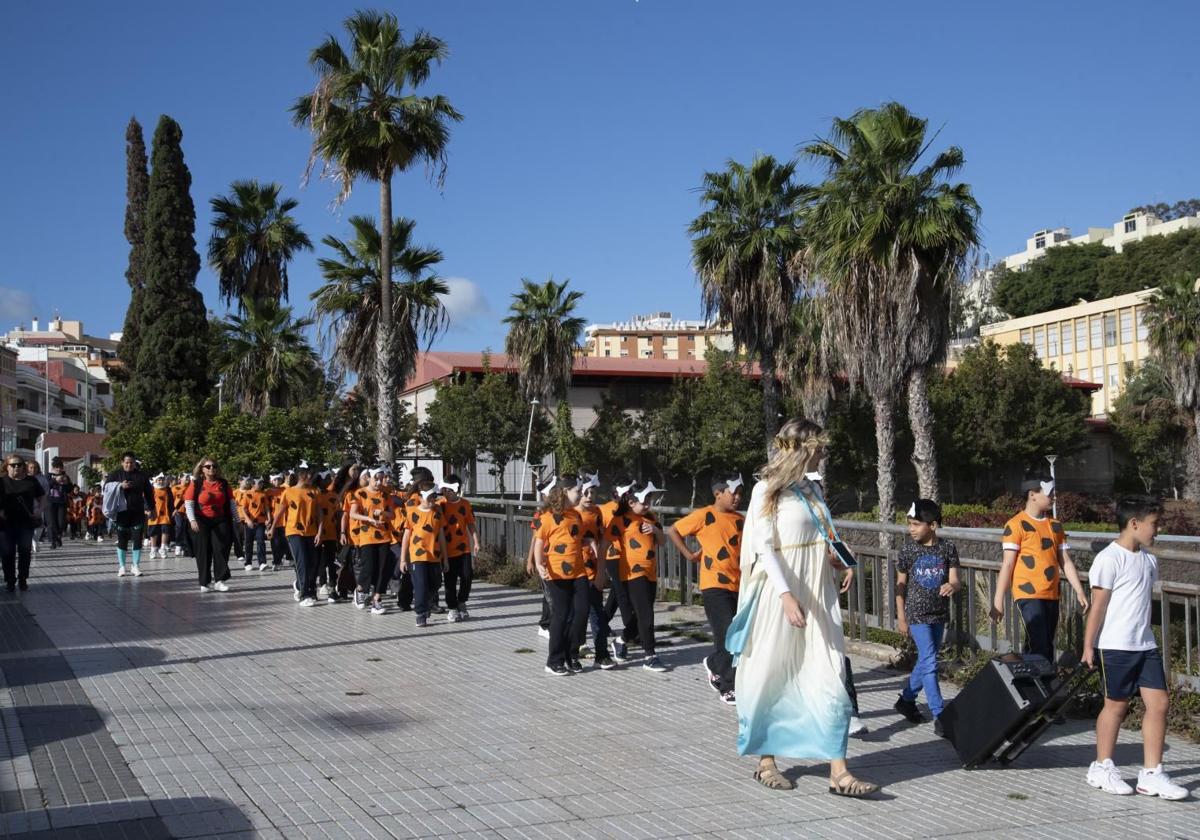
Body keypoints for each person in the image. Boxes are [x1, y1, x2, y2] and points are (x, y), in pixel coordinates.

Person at [725, 419, 878, 797]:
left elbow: (824, 536)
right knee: (772, 673)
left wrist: (840, 560)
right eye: (819, 446)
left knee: (829, 675)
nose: (824, 453)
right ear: (803, 447)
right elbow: (764, 547)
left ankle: (839, 773)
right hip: (780, 596)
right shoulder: (766, 490)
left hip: (816, 592)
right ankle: (766, 762)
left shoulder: (811, 490)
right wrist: (785, 595)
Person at [1083, 496, 1188, 800]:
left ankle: (1152, 774)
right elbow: (1098, 607)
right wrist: (1088, 646)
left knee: (1160, 704)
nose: (1158, 530)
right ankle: (1102, 767)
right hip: (1116, 646)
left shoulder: (1149, 560)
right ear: (1134, 523)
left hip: (1145, 645)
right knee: (1116, 706)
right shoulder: (1108, 559)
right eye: (1154, 524)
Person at [991, 478, 1088, 665]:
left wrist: (1079, 590)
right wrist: (998, 600)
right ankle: (1043, 686)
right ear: (1032, 495)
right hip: (1028, 593)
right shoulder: (1015, 524)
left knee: (1044, 643)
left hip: (1051, 593)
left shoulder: (1055, 525)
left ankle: (1031, 685)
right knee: (1039, 643)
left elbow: (1065, 561)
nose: (1054, 497)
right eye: (1049, 493)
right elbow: (1008, 564)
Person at [668, 473, 745, 704]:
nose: (738, 497)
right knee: (726, 633)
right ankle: (728, 686)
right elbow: (674, 530)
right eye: (734, 493)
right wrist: (690, 555)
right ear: (718, 493)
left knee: (738, 635)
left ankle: (713, 663)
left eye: (741, 493)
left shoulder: (740, 520)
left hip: (738, 584)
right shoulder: (704, 515)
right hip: (713, 584)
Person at [894, 499, 961, 736]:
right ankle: (940, 715)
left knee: (925, 661)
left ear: (932, 525)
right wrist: (901, 616)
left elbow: (955, 579)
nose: (911, 529)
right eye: (910, 524)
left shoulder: (948, 548)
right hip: (917, 614)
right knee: (931, 662)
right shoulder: (908, 551)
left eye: (916, 524)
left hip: (939, 613)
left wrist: (952, 586)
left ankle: (907, 699)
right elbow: (900, 585)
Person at [533, 475, 596, 676]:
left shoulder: (575, 516)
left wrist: (589, 542)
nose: (580, 494)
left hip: (578, 571)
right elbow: (539, 543)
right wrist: (538, 563)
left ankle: (572, 654)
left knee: (582, 611)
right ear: (565, 492)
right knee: (560, 616)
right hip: (556, 572)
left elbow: (576, 537)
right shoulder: (547, 517)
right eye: (577, 491)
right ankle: (554, 661)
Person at [607, 481, 668, 672]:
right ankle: (650, 655)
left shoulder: (651, 518)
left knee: (642, 613)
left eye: (650, 499)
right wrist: (601, 569)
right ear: (632, 501)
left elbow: (662, 541)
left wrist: (656, 531)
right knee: (646, 614)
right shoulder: (620, 520)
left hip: (650, 572)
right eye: (645, 500)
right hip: (632, 572)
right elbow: (605, 542)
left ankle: (621, 640)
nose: (648, 504)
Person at [574, 472, 614, 669]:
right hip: (574, 569)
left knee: (596, 611)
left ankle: (602, 653)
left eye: (593, 492)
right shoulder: (571, 514)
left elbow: (602, 539)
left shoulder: (597, 512)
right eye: (586, 492)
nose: (589, 496)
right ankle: (574, 650)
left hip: (593, 568)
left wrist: (601, 569)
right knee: (577, 613)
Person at [184, 457, 238, 593]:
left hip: (221, 519)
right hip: (201, 520)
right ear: (202, 469)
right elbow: (189, 503)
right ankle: (204, 581)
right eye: (208, 466)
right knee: (203, 551)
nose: (211, 469)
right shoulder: (196, 483)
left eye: (214, 466)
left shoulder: (223, 484)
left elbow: (231, 503)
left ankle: (219, 580)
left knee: (221, 549)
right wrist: (192, 520)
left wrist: (238, 520)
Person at [400, 486, 448, 627]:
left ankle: (426, 603)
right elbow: (406, 536)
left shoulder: (437, 513)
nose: (432, 500)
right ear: (420, 498)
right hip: (417, 556)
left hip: (434, 555)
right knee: (420, 586)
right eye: (429, 498)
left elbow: (442, 536)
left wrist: (445, 558)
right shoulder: (413, 513)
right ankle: (420, 613)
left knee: (435, 583)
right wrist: (403, 559)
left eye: (434, 497)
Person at [350, 467, 396, 615]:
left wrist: (383, 513)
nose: (378, 482)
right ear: (368, 478)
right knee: (368, 566)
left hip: (383, 535)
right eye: (376, 478)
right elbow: (353, 514)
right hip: (367, 535)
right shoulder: (360, 493)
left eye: (381, 479)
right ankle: (360, 590)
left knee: (383, 569)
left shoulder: (385, 494)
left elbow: (392, 514)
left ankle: (377, 599)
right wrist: (368, 518)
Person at [103, 452, 155, 578]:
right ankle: (122, 566)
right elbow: (106, 487)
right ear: (122, 462)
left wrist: (152, 508)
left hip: (138, 511)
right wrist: (120, 485)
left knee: (137, 539)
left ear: (134, 463)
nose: (129, 464)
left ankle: (135, 565)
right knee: (122, 539)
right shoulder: (116, 474)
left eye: (131, 462)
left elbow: (149, 493)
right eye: (126, 462)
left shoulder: (142, 476)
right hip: (121, 512)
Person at [278, 462, 320, 606]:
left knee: (312, 563)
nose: (310, 476)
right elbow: (281, 510)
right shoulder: (289, 492)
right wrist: (271, 528)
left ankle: (301, 585)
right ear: (300, 475)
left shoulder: (314, 492)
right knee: (301, 561)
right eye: (307, 473)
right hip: (294, 531)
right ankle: (304, 594)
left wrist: (319, 531)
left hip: (311, 531)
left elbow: (318, 513)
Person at [1, 454, 45, 591]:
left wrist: (39, 511)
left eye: (19, 464)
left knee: (25, 551)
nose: (16, 467)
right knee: (7, 553)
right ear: (6, 467)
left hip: (25, 523)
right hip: (5, 523)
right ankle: (9, 580)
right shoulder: (1, 482)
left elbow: (42, 496)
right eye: (13, 465)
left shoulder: (31, 481)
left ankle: (23, 579)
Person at [438, 475, 478, 622]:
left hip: (464, 548)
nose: (446, 492)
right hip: (446, 550)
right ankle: (452, 608)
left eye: (449, 490)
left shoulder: (466, 504)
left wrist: (476, 541)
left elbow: (471, 524)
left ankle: (462, 601)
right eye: (444, 489)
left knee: (467, 576)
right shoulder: (440, 505)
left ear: (456, 490)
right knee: (450, 580)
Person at [146, 473, 173, 559]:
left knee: (165, 531)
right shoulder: (151, 489)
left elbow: (171, 501)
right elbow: (146, 500)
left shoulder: (167, 489)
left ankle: (163, 548)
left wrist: (173, 510)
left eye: (162, 479)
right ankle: (153, 549)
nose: (161, 481)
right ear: (156, 480)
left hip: (165, 514)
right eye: (159, 480)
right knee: (153, 532)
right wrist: (147, 510)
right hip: (154, 514)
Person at [26, 460, 49, 552]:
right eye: (31, 467)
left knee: (38, 523)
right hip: (25, 505)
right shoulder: (24, 478)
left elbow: (46, 491)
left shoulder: (42, 478)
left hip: (38, 504)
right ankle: (29, 541)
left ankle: (35, 539)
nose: (33, 469)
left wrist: (42, 502)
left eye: (35, 467)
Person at [46, 471, 71, 548]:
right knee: (52, 523)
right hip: (50, 503)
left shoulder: (64, 478)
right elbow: (46, 486)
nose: (58, 470)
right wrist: (55, 480)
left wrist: (66, 482)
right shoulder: (49, 477)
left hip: (61, 503)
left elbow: (69, 489)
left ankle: (58, 536)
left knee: (61, 523)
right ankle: (53, 542)